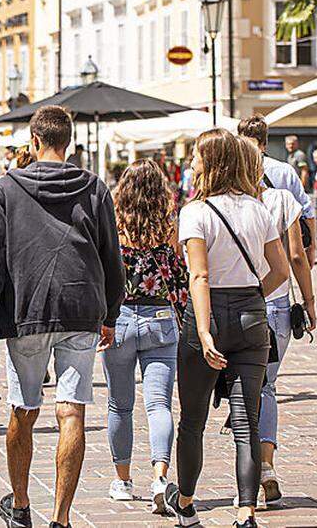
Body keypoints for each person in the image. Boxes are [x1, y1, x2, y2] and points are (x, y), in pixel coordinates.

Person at [0, 105, 124, 528]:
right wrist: (110, 313)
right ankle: (61, 517)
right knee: (72, 411)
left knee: (23, 407)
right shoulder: (94, 188)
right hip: (81, 307)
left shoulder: (7, 188)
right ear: (68, 143)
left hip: (28, 309)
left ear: (34, 141)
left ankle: (20, 506)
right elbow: (113, 258)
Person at [165, 128, 290, 528]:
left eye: (197, 156)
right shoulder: (258, 208)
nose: (192, 163)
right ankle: (245, 511)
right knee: (246, 422)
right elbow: (281, 270)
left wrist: (203, 332)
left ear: (213, 163)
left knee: (193, 420)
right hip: (253, 315)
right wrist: (254, 294)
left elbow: (198, 277)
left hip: (210, 313)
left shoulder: (196, 212)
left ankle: (185, 502)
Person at [104, 159, 189, 514]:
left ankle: (123, 481)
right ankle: (159, 477)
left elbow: (102, 268)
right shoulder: (169, 222)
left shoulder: (113, 221)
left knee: (119, 404)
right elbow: (179, 272)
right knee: (158, 405)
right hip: (160, 319)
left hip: (120, 319)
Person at [250, 139, 317, 509]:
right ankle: (266, 466)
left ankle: (247, 475)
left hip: (240, 305)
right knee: (267, 386)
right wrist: (308, 302)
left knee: (243, 391)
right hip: (276, 306)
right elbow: (296, 256)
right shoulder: (282, 201)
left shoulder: (225, 204)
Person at [238, 117, 317, 265]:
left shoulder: (230, 172)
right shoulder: (284, 170)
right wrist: (311, 248)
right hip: (279, 252)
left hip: (242, 254)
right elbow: (307, 211)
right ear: (265, 144)